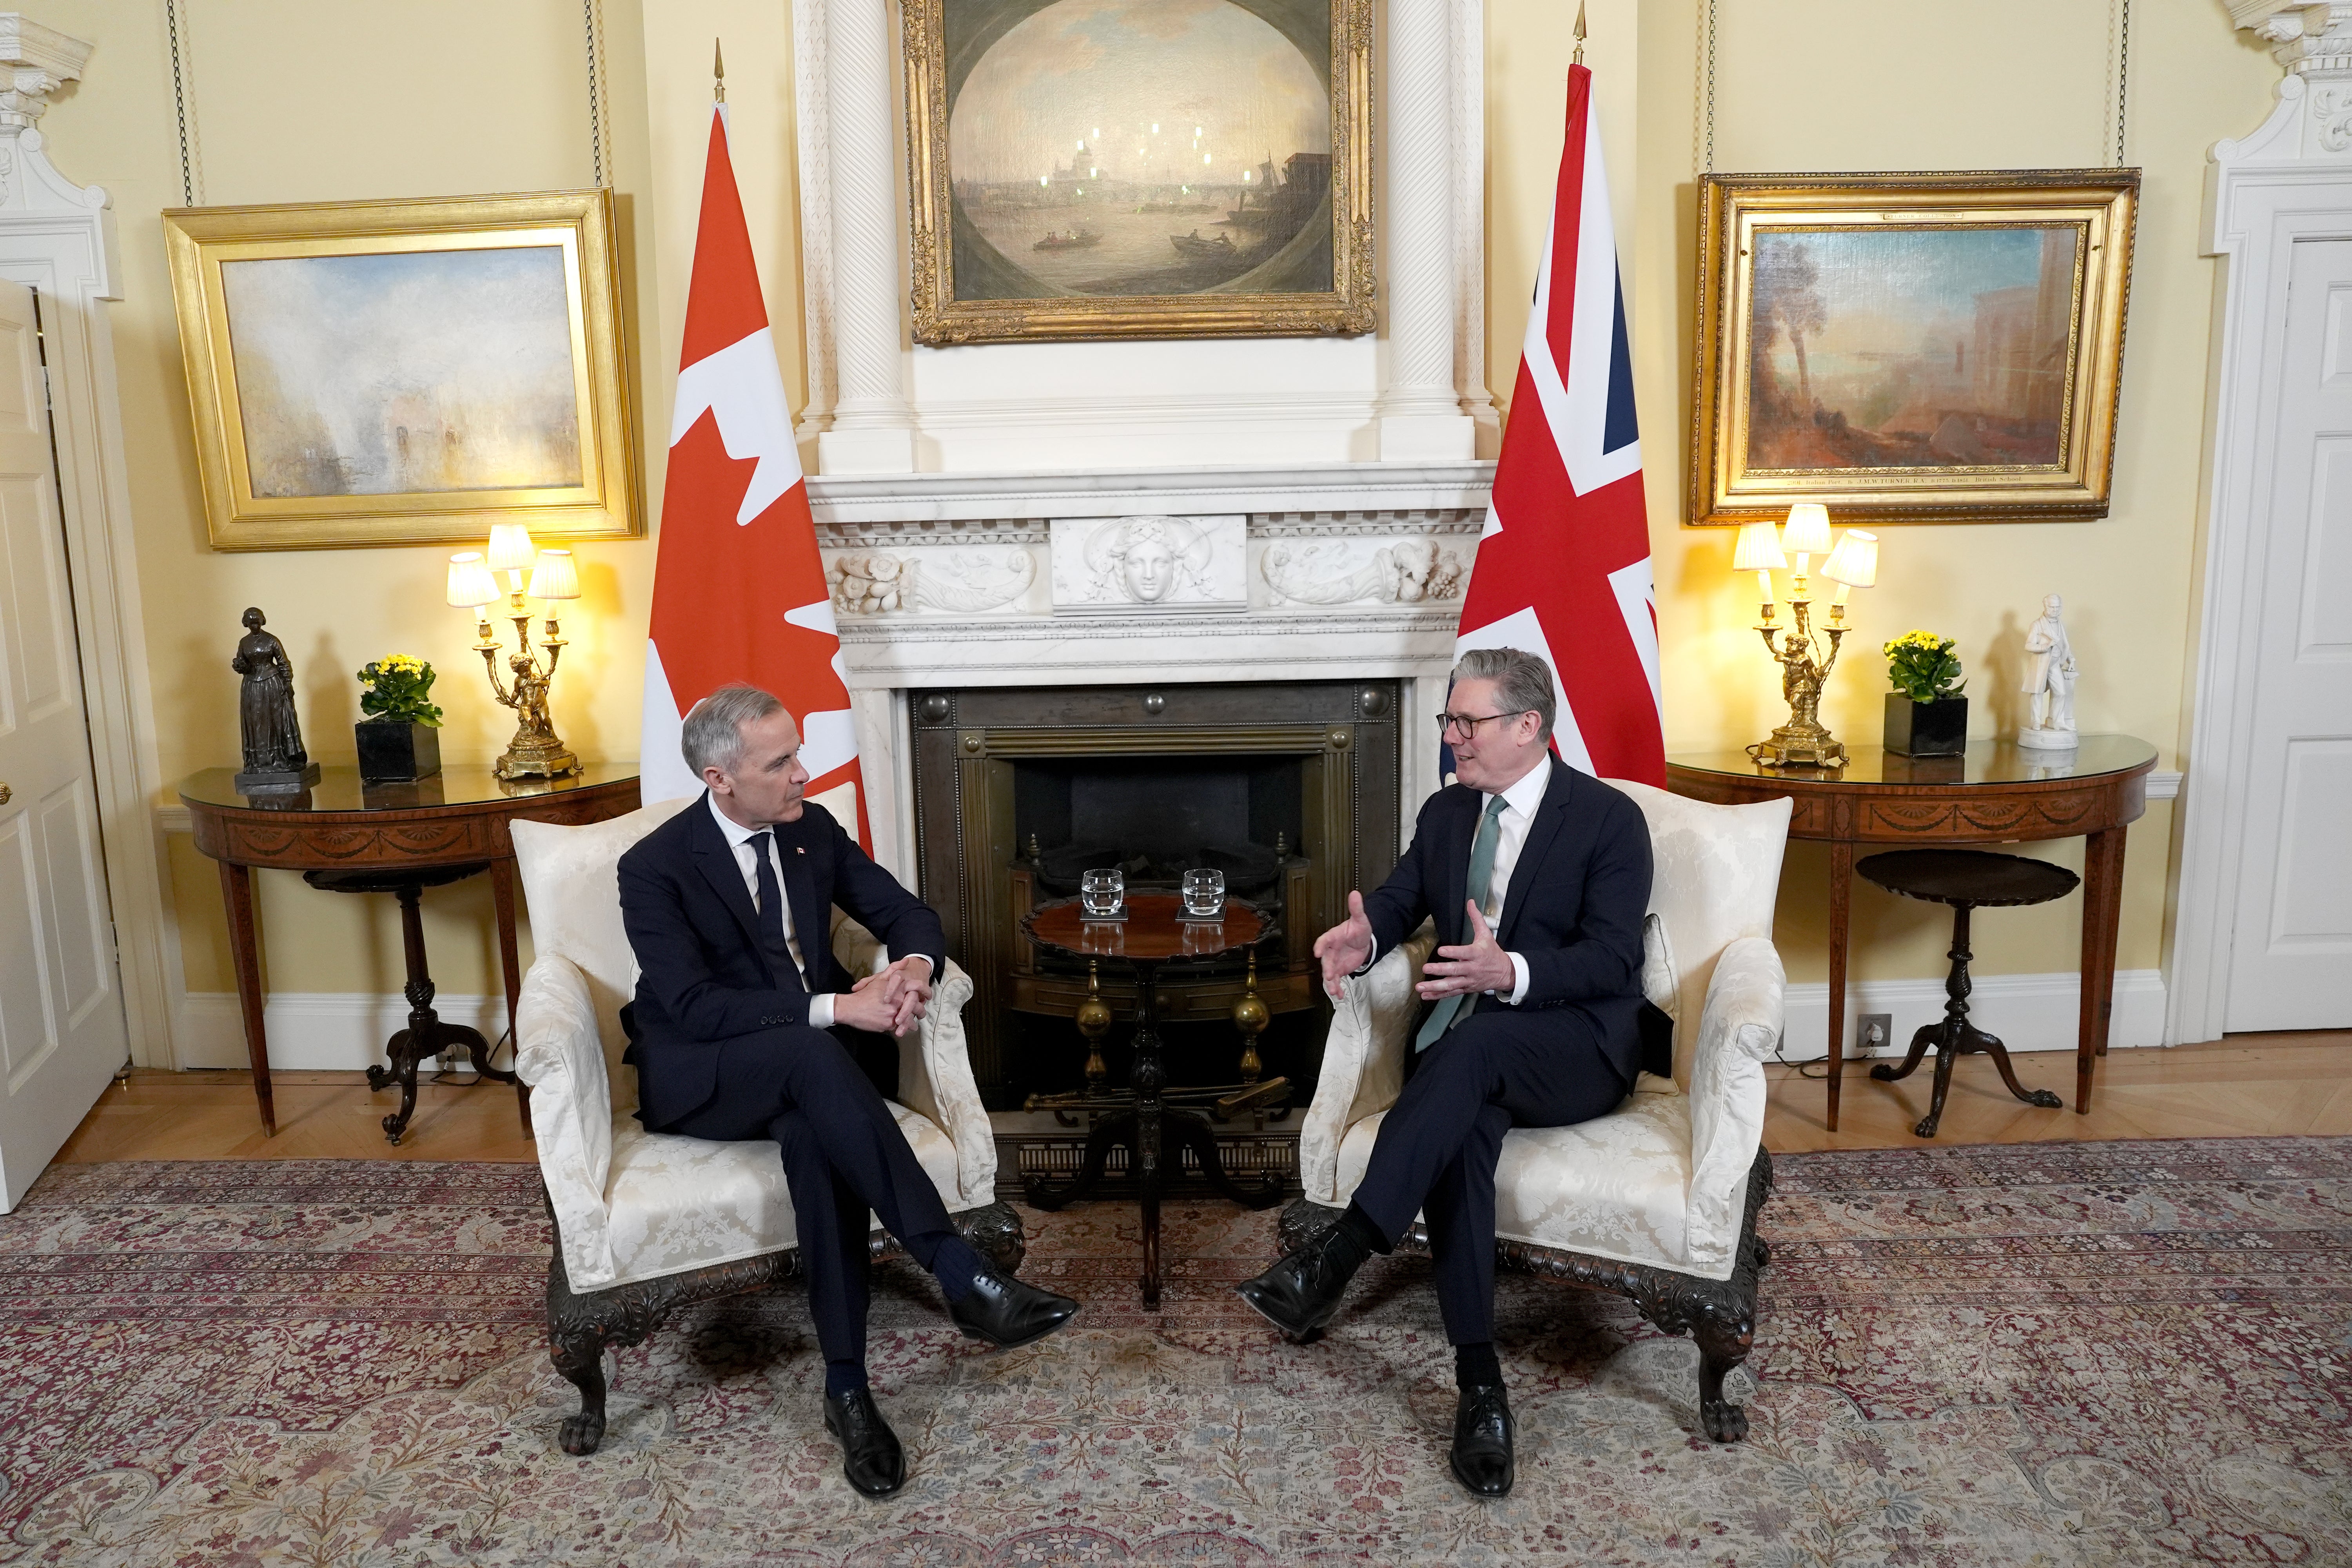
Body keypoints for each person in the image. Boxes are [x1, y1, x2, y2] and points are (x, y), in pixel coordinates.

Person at [618, 684, 1079, 1498]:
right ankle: (953, 1264)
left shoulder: (811, 829)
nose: (805, 772)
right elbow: (689, 1005)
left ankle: (847, 1388)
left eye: (799, 752)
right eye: (782, 761)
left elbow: (906, 912)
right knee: (805, 1051)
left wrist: (910, 969)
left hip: (817, 1074)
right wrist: (840, 1005)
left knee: (812, 1133)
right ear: (720, 778)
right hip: (706, 1071)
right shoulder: (653, 866)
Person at [1235, 647, 1655, 1498]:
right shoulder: (1446, 812)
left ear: (1529, 726)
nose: (1453, 737)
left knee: (1471, 1051)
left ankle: (1341, 1252)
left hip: (1575, 1041)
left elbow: (1613, 960)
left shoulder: (1608, 819)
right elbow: (1398, 902)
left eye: (1469, 721)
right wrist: (1366, 938)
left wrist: (1512, 973)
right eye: (1449, 720)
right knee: (1461, 1128)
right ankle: (1480, 1385)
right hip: (1469, 1050)